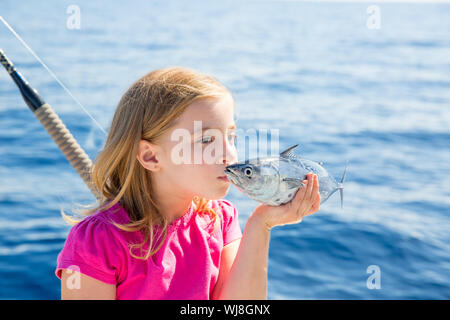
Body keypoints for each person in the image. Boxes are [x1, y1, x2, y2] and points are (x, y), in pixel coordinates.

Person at [55, 67, 320, 300]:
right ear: (151, 156)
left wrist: (262, 224)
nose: (229, 154)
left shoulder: (221, 219)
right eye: (206, 141)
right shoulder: (97, 243)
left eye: (231, 137)